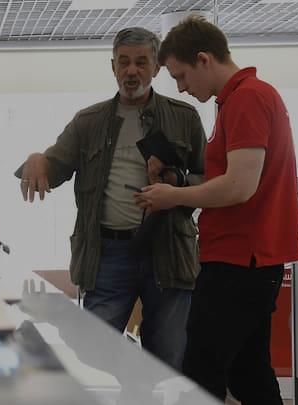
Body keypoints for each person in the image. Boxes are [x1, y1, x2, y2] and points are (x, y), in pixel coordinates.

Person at [135, 16, 298, 405]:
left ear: (204, 59)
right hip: (246, 258)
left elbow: (239, 186)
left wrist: (175, 197)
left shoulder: (247, 99)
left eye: (181, 75)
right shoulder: (245, 99)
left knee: (202, 373)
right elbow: (235, 179)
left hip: (240, 260)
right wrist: (178, 182)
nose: (181, 87)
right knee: (249, 373)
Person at [15, 27, 206, 370]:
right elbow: (53, 167)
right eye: (124, 62)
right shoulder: (88, 122)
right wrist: (35, 158)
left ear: (156, 68)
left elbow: (208, 180)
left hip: (168, 249)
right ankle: (132, 379)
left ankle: (148, 399)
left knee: (168, 357)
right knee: (93, 351)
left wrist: (176, 182)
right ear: (113, 66)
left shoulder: (183, 118)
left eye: (141, 62)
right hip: (107, 254)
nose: (131, 71)